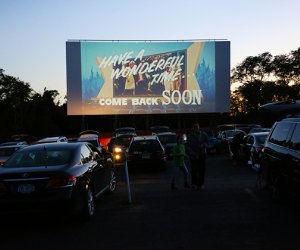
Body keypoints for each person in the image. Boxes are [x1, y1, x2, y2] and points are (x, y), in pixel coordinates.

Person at [186, 123, 209, 190]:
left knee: (201, 170)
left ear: (199, 127)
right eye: (194, 127)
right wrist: (192, 153)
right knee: (194, 170)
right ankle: (194, 184)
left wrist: (204, 145)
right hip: (193, 156)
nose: (196, 128)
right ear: (193, 128)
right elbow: (188, 146)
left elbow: (208, 143)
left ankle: (201, 184)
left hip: (202, 155)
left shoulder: (204, 135)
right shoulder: (190, 136)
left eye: (197, 127)